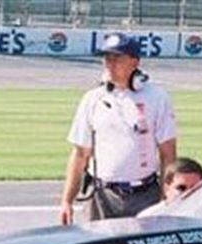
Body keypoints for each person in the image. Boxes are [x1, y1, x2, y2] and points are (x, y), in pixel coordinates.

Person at [60, 32, 178, 224]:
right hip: (101, 197)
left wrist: (166, 197)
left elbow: (168, 153)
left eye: (117, 58)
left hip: (145, 196)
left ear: (134, 62)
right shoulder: (92, 99)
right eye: (107, 58)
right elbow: (80, 154)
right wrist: (67, 201)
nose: (110, 63)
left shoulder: (157, 98)